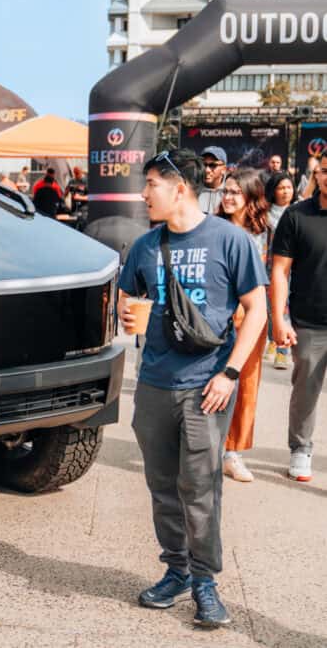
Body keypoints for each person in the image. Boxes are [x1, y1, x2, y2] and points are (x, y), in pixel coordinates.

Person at [118, 148, 267, 629]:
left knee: (200, 488)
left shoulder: (231, 241)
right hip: (154, 385)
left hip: (207, 387)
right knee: (162, 486)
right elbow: (128, 297)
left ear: (178, 188)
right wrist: (124, 313)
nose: (143, 195)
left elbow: (257, 311)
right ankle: (176, 570)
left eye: (152, 185)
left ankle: (205, 582)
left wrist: (230, 374)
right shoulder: (145, 246)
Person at [270, 159, 327, 483]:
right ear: (317, 175)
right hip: (309, 322)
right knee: (306, 390)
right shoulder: (296, 215)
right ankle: (301, 448)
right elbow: (279, 270)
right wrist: (279, 318)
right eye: (326, 170)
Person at [215, 169, 271, 483]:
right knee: (211, 381)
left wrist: (280, 321)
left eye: (235, 191)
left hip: (253, 318)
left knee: (246, 385)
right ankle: (206, 447)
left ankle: (232, 453)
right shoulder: (212, 228)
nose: (228, 197)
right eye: (226, 191)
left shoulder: (266, 231)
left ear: (251, 195)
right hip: (218, 317)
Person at [264, 173, 296, 369]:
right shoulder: (265, 214)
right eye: (281, 188)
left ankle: (282, 351)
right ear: (273, 191)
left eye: (289, 188)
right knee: (271, 308)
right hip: (267, 267)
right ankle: (273, 339)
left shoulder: (297, 212)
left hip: (292, 269)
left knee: (285, 306)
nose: (286, 192)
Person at [197, 147, 227, 214]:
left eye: (213, 165)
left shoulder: (230, 192)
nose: (207, 170)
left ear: (224, 169)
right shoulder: (192, 190)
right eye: (203, 165)